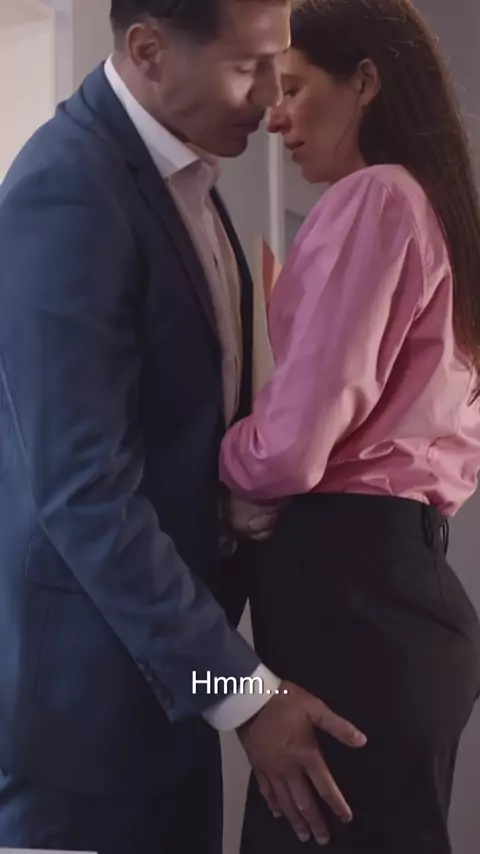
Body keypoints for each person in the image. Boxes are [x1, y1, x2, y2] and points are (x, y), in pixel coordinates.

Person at [0, 1, 368, 853]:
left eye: (278, 62)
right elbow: (86, 494)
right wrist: (243, 694)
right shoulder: (67, 189)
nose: (270, 97)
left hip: (168, 713)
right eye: (247, 68)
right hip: (81, 742)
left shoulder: (189, 179)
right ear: (148, 50)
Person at [220, 0, 480, 851]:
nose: (275, 117)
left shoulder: (373, 198)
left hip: (350, 602)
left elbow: (290, 449)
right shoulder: (436, 211)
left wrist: (227, 469)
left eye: (293, 89)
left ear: (365, 82)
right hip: (400, 594)